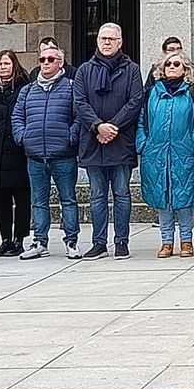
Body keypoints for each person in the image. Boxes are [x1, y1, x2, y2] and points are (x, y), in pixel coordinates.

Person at [73, 22, 145, 260]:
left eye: (111, 39)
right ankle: (99, 243)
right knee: (97, 196)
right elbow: (80, 103)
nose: (106, 42)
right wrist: (98, 127)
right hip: (93, 142)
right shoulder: (84, 70)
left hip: (120, 141)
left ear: (120, 42)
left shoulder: (132, 69)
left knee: (122, 194)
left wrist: (112, 127)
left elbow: (135, 102)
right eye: (103, 38)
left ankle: (122, 242)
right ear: (97, 41)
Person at [14, 40, 81, 260]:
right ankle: (39, 241)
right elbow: (17, 117)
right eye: (42, 59)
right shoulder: (28, 90)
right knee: (38, 201)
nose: (45, 63)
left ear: (60, 63)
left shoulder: (71, 87)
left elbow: (79, 117)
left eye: (50, 59)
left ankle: (71, 241)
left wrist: (71, 138)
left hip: (62, 154)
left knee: (68, 199)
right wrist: (22, 137)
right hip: (34, 155)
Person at [139, 54, 194, 257]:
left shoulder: (191, 94)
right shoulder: (152, 93)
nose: (172, 67)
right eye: (168, 64)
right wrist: (143, 144)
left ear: (185, 69)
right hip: (156, 152)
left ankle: (186, 240)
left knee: (184, 197)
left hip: (184, 152)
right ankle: (166, 241)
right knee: (163, 196)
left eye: (177, 64)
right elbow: (141, 120)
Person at [0, 50, 32, 257]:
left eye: (7, 63)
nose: (3, 67)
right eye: (0, 64)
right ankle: (5, 239)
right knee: (0, 199)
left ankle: (19, 239)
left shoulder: (25, 87)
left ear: (15, 65)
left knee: (21, 199)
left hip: (19, 151)